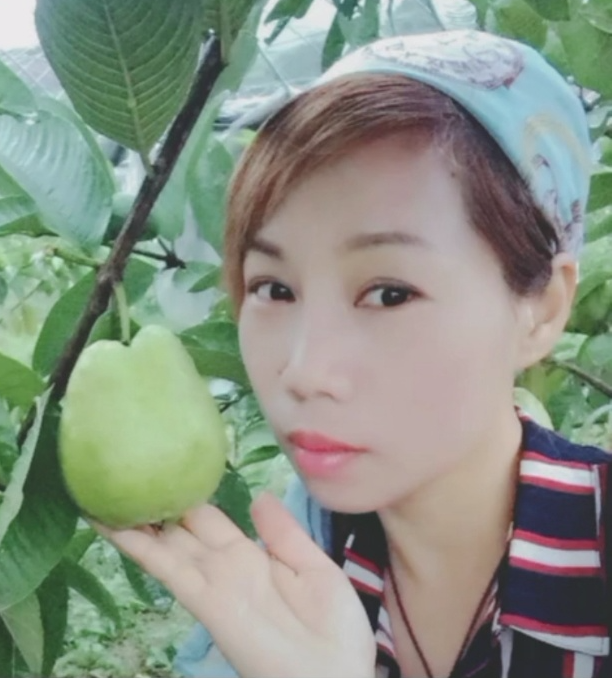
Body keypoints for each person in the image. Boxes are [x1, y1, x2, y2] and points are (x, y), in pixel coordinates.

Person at [95, 29, 612, 678]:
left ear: (541, 308)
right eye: (274, 288)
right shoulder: (292, 565)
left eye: (390, 293)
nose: (304, 372)